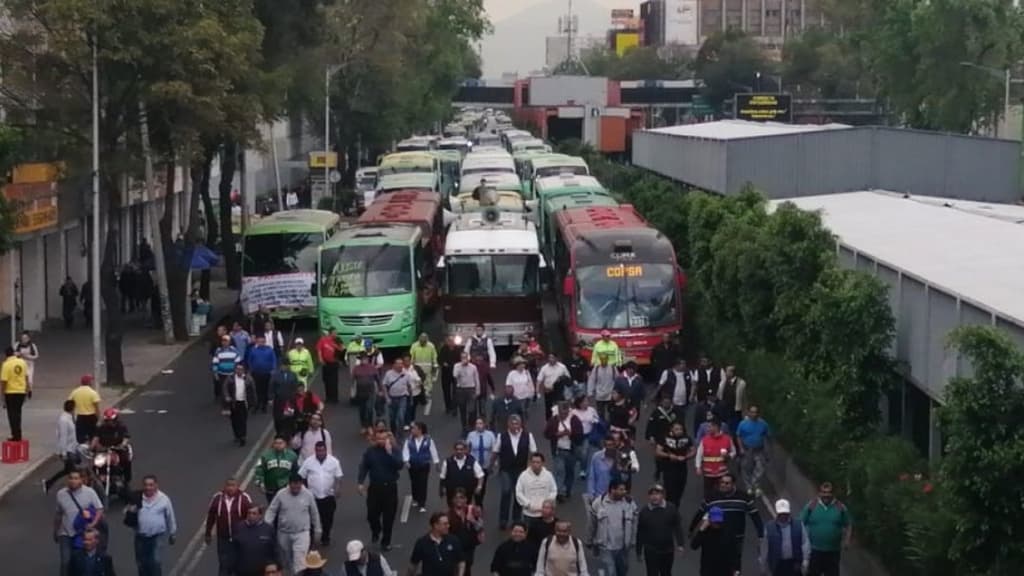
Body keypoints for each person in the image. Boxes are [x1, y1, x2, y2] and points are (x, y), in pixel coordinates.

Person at [689, 474, 763, 568]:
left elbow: (755, 515)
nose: (723, 485)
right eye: (722, 482)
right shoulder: (711, 497)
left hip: (737, 535)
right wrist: (691, 529)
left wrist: (761, 535)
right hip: (716, 534)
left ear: (733, 484)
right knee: (716, 558)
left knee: (735, 559)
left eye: (727, 483)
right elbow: (699, 513)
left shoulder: (743, 498)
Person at [265, 473, 322, 574]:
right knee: (286, 560)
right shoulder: (281, 494)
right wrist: (266, 525)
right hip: (283, 533)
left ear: (301, 484)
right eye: (293, 485)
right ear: (289, 484)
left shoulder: (308, 494)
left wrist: (318, 529)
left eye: (298, 485)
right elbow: (272, 510)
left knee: (299, 562)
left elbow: (314, 513)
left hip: (302, 533)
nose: (296, 488)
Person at [357, 429, 403, 550]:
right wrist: (360, 482)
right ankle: (376, 530)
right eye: (378, 439)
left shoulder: (394, 450)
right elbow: (364, 466)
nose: (381, 441)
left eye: (383, 439)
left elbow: (399, 465)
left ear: (387, 439)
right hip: (375, 488)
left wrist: (389, 453)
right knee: (371, 515)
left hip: (390, 488)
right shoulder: (370, 451)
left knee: (389, 518)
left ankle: (386, 541)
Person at [55, 470, 105, 576]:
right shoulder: (61, 494)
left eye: (76, 478)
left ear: (81, 480)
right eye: (71, 478)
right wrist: (55, 530)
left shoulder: (89, 492)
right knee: (65, 562)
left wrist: (93, 523)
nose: (73, 481)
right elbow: (59, 514)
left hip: (82, 534)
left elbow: (99, 509)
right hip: (65, 533)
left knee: (79, 562)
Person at [493, 415, 537, 530]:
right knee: (506, 491)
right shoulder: (501, 436)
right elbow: (496, 452)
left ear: (521, 424)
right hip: (506, 469)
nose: (515, 426)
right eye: (512, 424)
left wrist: (531, 466)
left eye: (517, 423)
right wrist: (491, 465)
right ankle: (503, 519)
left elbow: (533, 452)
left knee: (518, 494)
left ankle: (516, 519)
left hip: (521, 469)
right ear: (508, 425)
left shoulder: (528, 436)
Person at [800, 482, 852, 576]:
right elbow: (800, 523)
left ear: (833, 494)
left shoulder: (840, 507)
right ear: (819, 493)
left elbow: (848, 524)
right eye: (824, 492)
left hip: (833, 552)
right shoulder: (812, 505)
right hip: (814, 550)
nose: (826, 495)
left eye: (829, 492)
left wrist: (847, 540)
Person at [204, 478, 254, 576]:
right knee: (224, 565)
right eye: (228, 485)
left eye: (233, 485)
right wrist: (208, 533)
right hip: (223, 538)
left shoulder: (244, 498)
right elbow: (211, 516)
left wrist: (250, 535)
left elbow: (251, 517)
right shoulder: (217, 498)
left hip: (239, 538)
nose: (230, 488)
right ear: (225, 486)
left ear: (237, 486)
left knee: (239, 565)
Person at [299, 441, 344, 546]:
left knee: (327, 519)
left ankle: (325, 536)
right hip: (313, 496)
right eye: (318, 450)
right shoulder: (308, 462)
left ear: (325, 450)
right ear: (315, 450)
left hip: (328, 496)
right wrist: (304, 491)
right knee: (311, 519)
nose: (320, 452)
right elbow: (301, 476)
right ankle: (310, 539)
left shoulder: (334, 461)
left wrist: (338, 489)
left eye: (322, 450)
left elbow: (338, 477)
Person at [131, 475, 177, 576]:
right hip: (140, 537)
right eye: (146, 485)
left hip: (157, 536)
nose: (148, 488)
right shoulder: (137, 498)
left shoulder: (164, 499)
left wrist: (172, 533)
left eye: (151, 485)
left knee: (155, 562)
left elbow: (170, 516)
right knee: (141, 563)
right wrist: (130, 511)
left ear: (156, 485)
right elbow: (127, 513)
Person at [590, 479, 637, 576]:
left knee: (622, 571)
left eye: (625, 490)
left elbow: (634, 524)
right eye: (621, 489)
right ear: (612, 490)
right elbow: (592, 523)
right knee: (610, 572)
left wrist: (633, 540)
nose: (624, 492)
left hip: (623, 547)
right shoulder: (599, 503)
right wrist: (590, 540)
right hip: (605, 547)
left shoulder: (629, 503)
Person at [636, 484, 685, 576]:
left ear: (663, 495)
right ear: (649, 496)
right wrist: (638, 551)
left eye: (657, 494)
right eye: (652, 494)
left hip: (667, 550)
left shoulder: (671, 508)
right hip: (651, 550)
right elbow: (640, 532)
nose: (654, 497)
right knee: (651, 573)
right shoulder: (644, 512)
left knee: (666, 573)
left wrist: (680, 544)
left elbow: (677, 526)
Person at [544, 401, 583, 502]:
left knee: (570, 471)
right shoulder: (554, 420)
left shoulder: (574, 420)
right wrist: (557, 434)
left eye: (565, 413)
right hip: (558, 450)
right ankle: (559, 492)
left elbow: (580, 435)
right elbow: (547, 434)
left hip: (571, 451)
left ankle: (567, 489)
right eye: (562, 413)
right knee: (560, 470)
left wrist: (572, 434)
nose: (564, 415)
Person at [760, 499, 810, 576]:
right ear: (777, 513)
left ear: (789, 512)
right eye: (781, 513)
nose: (783, 516)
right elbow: (765, 547)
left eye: (785, 513)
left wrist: (806, 560)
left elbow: (805, 542)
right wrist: (763, 564)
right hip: (777, 564)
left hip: (795, 563)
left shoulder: (798, 525)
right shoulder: (769, 527)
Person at [409, 512, 465, 576]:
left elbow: (461, 561)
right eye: (445, 524)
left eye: (448, 523)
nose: (448, 526)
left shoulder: (453, 540)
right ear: (436, 525)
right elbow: (413, 565)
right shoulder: (422, 543)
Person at [516, 452, 558, 536]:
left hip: (545, 515)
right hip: (529, 514)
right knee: (529, 536)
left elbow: (554, 490)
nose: (535, 464)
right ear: (530, 463)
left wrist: (547, 504)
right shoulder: (523, 476)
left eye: (538, 462)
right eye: (533, 462)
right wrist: (528, 504)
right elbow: (518, 492)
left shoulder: (548, 475)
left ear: (542, 463)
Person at [403, 421, 441, 512]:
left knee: (423, 483)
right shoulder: (409, 440)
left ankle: (422, 503)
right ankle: (415, 498)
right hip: (413, 465)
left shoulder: (428, 440)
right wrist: (406, 461)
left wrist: (436, 463)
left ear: (420, 430)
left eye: (414, 428)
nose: (412, 430)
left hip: (424, 465)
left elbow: (433, 451)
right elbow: (405, 451)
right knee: (414, 482)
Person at [656, 421, 695, 507]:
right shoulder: (665, 438)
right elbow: (658, 451)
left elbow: (693, 450)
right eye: (677, 429)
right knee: (670, 491)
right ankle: (668, 509)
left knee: (679, 491)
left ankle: (675, 509)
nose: (679, 431)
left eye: (681, 429)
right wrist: (669, 456)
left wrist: (686, 457)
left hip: (682, 468)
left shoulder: (687, 438)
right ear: (672, 429)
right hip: (669, 468)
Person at [690, 506, 738, 576]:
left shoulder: (728, 531)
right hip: (708, 570)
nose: (716, 524)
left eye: (718, 522)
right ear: (709, 520)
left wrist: (736, 568)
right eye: (714, 521)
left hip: (725, 570)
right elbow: (694, 546)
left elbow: (734, 551)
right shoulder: (705, 532)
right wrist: (701, 529)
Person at [45, 400, 81, 493]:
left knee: (67, 470)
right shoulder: (64, 420)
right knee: (74, 472)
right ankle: (75, 489)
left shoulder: (69, 418)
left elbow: (72, 435)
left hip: (72, 449)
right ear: (72, 408)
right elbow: (63, 437)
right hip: (67, 450)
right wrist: (63, 453)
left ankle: (49, 483)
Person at [695, 419, 735, 500]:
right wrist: (698, 467)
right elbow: (699, 454)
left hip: (722, 473)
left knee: (722, 493)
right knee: (708, 495)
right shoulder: (705, 439)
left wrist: (728, 456)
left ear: (716, 427)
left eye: (710, 427)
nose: (708, 429)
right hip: (708, 474)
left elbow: (733, 452)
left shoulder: (727, 439)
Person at [736, 404, 771, 496]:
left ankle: (755, 484)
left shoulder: (763, 424)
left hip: (759, 450)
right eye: (752, 412)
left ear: (758, 413)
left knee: (760, 468)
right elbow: (738, 436)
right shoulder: (743, 424)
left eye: (755, 412)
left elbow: (767, 436)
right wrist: (741, 448)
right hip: (747, 449)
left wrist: (767, 451)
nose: (754, 414)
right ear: (748, 412)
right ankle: (749, 487)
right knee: (746, 468)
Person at [232, 506, 277, 576]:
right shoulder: (239, 527)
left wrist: (277, 565)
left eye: (254, 513)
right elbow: (233, 548)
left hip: (262, 571)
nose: (251, 515)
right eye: (249, 513)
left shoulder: (268, 529)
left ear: (260, 515)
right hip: (242, 571)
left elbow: (275, 549)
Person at [91, 408, 133, 484]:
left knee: (125, 460)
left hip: (118, 449)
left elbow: (126, 438)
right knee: (95, 464)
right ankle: (99, 478)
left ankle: (126, 479)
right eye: (107, 421)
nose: (109, 423)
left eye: (111, 421)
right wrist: (92, 447)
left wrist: (122, 445)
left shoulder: (121, 427)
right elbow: (95, 438)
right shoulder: (101, 428)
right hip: (104, 450)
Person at [439, 439, 485, 508]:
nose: (459, 451)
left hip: (467, 493)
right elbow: (442, 477)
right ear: (454, 450)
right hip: (451, 493)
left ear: (465, 450)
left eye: (461, 449)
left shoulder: (472, 461)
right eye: (457, 449)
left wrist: (479, 486)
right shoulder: (448, 462)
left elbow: (480, 475)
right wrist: (442, 488)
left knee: (465, 511)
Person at [448, 489, 484, 574]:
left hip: (468, 548)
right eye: (456, 498)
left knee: (467, 568)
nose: (459, 500)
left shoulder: (472, 510)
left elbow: (480, 527)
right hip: (455, 549)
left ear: (466, 499)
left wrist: (473, 521)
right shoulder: (449, 515)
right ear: (453, 500)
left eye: (461, 497)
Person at [255, 436, 299, 504]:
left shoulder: (292, 456)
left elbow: (295, 471)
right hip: (270, 487)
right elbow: (259, 470)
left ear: (285, 444)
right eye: (276, 443)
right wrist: (260, 483)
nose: (278, 445)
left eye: (280, 443)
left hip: (286, 487)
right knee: (273, 506)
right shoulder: (265, 456)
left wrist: (296, 484)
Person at [645, 394, 679, 481]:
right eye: (664, 402)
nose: (666, 404)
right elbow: (651, 425)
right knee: (658, 456)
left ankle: (670, 471)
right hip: (659, 437)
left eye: (668, 402)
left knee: (671, 454)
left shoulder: (675, 412)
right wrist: (651, 436)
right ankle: (658, 470)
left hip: (671, 437)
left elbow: (680, 424)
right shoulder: (656, 412)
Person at [464, 418, 496, 506]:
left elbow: (494, 449)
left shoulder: (490, 435)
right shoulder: (471, 435)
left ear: (484, 424)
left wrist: (493, 463)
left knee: (482, 485)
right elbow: (467, 448)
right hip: (474, 463)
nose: (478, 425)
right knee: (472, 483)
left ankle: (479, 503)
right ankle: (471, 502)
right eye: (477, 423)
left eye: (481, 423)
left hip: (485, 464)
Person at [2, 346, 30, 441]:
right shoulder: (22, 362)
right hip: (21, 392)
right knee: (18, 413)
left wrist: (2, 396)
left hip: (10, 392)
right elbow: (26, 378)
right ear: (14, 353)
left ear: (6, 355)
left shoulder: (6, 364)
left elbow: (4, 382)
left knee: (12, 414)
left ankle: (15, 435)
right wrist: (27, 390)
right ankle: (18, 434)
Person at [225, 363, 256, 446]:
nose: (239, 371)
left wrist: (253, 402)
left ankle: (243, 437)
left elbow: (253, 390)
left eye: (241, 369)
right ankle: (237, 435)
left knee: (243, 420)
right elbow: (225, 388)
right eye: (237, 369)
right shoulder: (230, 378)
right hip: (234, 402)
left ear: (244, 370)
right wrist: (227, 396)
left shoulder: (248, 379)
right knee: (234, 420)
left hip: (243, 402)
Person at [247, 334, 278, 413]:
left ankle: (264, 405)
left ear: (265, 342)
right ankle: (257, 404)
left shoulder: (269, 350)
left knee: (265, 389)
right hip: (256, 373)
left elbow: (273, 359)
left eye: (262, 342)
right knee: (256, 389)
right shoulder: (253, 350)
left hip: (266, 373)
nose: (261, 343)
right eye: (259, 342)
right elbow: (249, 360)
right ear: (257, 342)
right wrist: (251, 369)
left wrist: (273, 369)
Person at [657, 358, 692, 425]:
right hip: (671, 402)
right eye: (683, 364)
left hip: (684, 402)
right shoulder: (667, 372)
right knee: (671, 420)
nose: (685, 365)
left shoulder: (688, 372)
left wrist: (692, 395)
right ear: (677, 365)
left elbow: (693, 383)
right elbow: (660, 385)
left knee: (681, 420)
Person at [452, 352, 481, 433]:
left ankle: (471, 424)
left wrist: (478, 391)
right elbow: (455, 375)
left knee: (472, 409)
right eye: (462, 357)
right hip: (461, 389)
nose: (464, 359)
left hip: (471, 389)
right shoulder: (457, 366)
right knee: (462, 409)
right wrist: (461, 366)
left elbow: (476, 379)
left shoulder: (473, 367)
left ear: (468, 358)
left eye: (465, 357)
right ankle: (464, 427)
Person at [270, 362, 300, 438]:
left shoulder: (293, 375)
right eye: (283, 365)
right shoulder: (275, 375)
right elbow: (271, 387)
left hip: (289, 401)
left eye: (286, 365)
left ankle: (289, 432)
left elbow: (296, 387)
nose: (284, 367)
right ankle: (279, 433)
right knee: (278, 418)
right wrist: (270, 398)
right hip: (279, 400)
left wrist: (295, 397)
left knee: (289, 417)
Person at [69, 374, 102, 443]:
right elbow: (97, 408)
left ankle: (82, 450)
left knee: (80, 437)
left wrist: (73, 418)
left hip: (80, 417)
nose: (92, 382)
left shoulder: (75, 392)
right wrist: (99, 419)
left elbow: (71, 406)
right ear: (89, 382)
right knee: (93, 436)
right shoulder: (93, 393)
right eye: (91, 381)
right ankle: (92, 450)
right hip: (92, 417)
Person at [382, 358, 411, 433]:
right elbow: (384, 385)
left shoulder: (406, 374)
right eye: (398, 363)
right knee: (392, 418)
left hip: (402, 397)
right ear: (394, 365)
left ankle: (400, 432)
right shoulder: (389, 374)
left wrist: (410, 398)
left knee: (401, 416)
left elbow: (409, 385)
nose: (400, 365)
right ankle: (393, 432)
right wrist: (387, 397)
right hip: (392, 398)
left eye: (401, 363)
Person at [717, 366, 747, 437]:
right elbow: (719, 394)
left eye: (727, 371)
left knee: (735, 430)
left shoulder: (741, 383)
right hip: (724, 410)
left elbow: (743, 398)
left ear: (732, 372)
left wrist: (744, 411)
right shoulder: (723, 382)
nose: (726, 373)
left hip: (735, 410)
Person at [536, 353, 570, 417]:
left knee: (560, 407)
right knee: (549, 409)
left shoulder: (562, 367)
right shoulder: (544, 368)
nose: (551, 359)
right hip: (548, 391)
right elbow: (539, 379)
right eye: (549, 358)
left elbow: (568, 377)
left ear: (556, 358)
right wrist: (537, 391)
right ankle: (549, 423)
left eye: (552, 357)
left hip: (559, 391)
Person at [410, 332, 438, 407]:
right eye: (421, 341)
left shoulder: (431, 346)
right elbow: (412, 356)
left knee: (428, 382)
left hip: (427, 367)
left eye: (424, 341)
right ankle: (420, 395)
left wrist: (435, 365)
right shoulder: (414, 345)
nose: (423, 342)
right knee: (418, 381)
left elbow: (434, 356)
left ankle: (426, 394)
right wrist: (411, 365)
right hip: (417, 367)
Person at [317, 329, 344, 404]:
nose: (336, 334)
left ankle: (335, 398)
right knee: (326, 380)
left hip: (334, 363)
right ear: (330, 333)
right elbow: (319, 350)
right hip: (326, 363)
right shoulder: (323, 340)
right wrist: (320, 358)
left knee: (334, 380)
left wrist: (339, 344)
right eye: (334, 333)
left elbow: (342, 350)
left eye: (336, 333)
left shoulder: (337, 340)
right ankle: (328, 397)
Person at [587, 354, 617, 420]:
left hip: (610, 394)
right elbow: (591, 380)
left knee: (611, 412)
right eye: (602, 360)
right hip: (599, 395)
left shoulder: (612, 368)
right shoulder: (596, 368)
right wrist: (590, 392)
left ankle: (611, 426)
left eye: (605, 360)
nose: (603, 362)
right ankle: (602, 426)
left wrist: (617, 392)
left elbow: (617, 379)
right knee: (600, 413)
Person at [212, 333, 241, 401]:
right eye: (223, 341)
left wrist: (237, 372)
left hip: (232, 374)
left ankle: (233, 405)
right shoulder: (218, 351)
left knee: (232, 389)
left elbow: (238, 362)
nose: (224, 343)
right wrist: (215, 373)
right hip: (222, 374)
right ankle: (225, 407)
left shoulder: (235, 351)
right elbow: (215, 363)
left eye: (226, 341)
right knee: (224, 390)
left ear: (229, 342)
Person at [439, 336, 462, 416]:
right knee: (446, 391)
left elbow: (460, 360)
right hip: (446, 373)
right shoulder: (443, 349)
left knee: (455, 392)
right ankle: (448, 407)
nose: (450, 342)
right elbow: (439, 359)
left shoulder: (457, 350)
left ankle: (454, 407)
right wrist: (443, 363)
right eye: (449, 341)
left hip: (455, 373)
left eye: (452, 341)